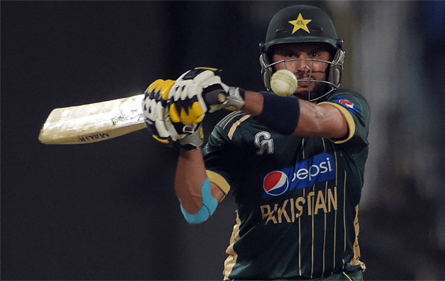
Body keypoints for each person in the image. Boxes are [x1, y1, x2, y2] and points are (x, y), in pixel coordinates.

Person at [142, 4, 370, 281]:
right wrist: (187, 138)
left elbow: (316, 121)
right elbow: (196, 208)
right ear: (269, 60)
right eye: (289, 54)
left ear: (333, 58)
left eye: (314, 54)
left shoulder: (349, 106)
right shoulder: (236, 128)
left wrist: (231, 96)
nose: (303, 66)